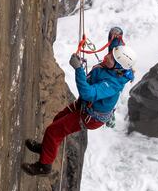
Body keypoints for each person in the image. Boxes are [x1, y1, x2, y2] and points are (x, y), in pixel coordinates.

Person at [22, 27, 136, 176]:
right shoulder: (117, 61)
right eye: (110, 54)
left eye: (112, 58)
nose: (107, 57)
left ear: (118, 68)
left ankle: (44, 167)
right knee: (58, 120)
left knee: (53, 131)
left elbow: (88, 93)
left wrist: (78, 69)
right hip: (86, 106)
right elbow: (115, 43)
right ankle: (46, 149)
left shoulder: (113, 84)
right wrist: (117, 33)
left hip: (90, 116)